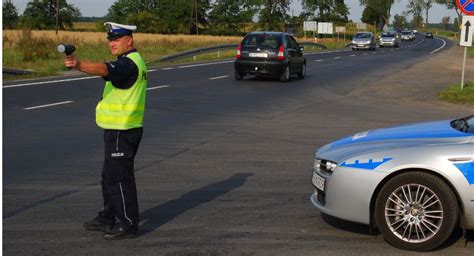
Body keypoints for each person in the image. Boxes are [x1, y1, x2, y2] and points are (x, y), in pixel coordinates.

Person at [64, 22, 147, 240]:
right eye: (110, 39)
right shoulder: (126, 62)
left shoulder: (129, 64)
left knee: (119, 178)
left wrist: (77, 64)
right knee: (109, 176)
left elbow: (103, 69)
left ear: (129, 40)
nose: (112, 43)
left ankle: (128, 224)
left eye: (116, 39)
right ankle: (107, 217)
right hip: (117, 128)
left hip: (124, 129)